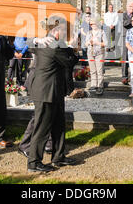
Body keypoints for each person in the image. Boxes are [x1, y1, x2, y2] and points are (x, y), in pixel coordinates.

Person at [26, 24, 79, 173]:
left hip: (54, 90)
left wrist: (36, 39)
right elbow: (70, 61)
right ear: (56, 33)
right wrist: (75, 48)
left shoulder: (47, 42)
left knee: (58, 126)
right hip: (45, 92)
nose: (65, 35)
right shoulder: (52, 46)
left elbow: (31, 43)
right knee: (42, 128)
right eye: (63, 32)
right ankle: (34, 162)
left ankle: (58, 157)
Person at [85, 16, 107, 95]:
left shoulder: (102, 32)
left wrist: (97, 42)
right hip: (90, 53)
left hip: (99, 53)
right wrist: (89, 42)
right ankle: (93, 84)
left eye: (93, 23)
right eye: (91, 24)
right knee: (92, 70)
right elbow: (85, 43)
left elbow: (105, 43)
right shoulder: (89, 33)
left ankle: (100, 86)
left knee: (99, 70)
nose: (92, 25)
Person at [121, 0, 133, 84]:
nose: (132, 8)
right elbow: (125, 24)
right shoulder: (123, 15)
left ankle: (131, 76)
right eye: (130, 6)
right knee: (125, 57)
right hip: (125, 37)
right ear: (127, 7)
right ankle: (124, 76)